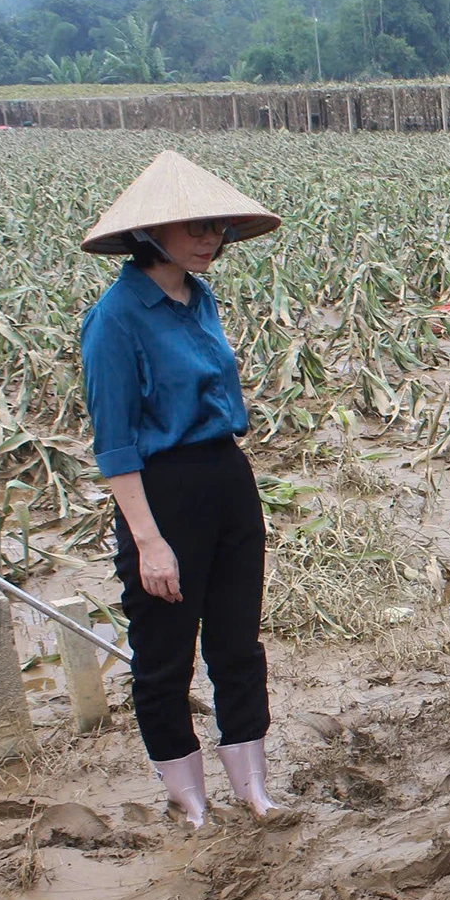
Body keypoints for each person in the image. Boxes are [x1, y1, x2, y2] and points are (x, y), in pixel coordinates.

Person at [78, 149, 285, 827]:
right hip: (161, 493)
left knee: (237, 642)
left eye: (217, 228)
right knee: (164, 656)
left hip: (227, 477)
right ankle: (188, 798)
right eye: (195, 228)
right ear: (150, 232)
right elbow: (114, 442)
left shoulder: (200, 299)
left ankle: (252, 787)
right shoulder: (115, 318)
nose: (209, 241)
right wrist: (149, 541)